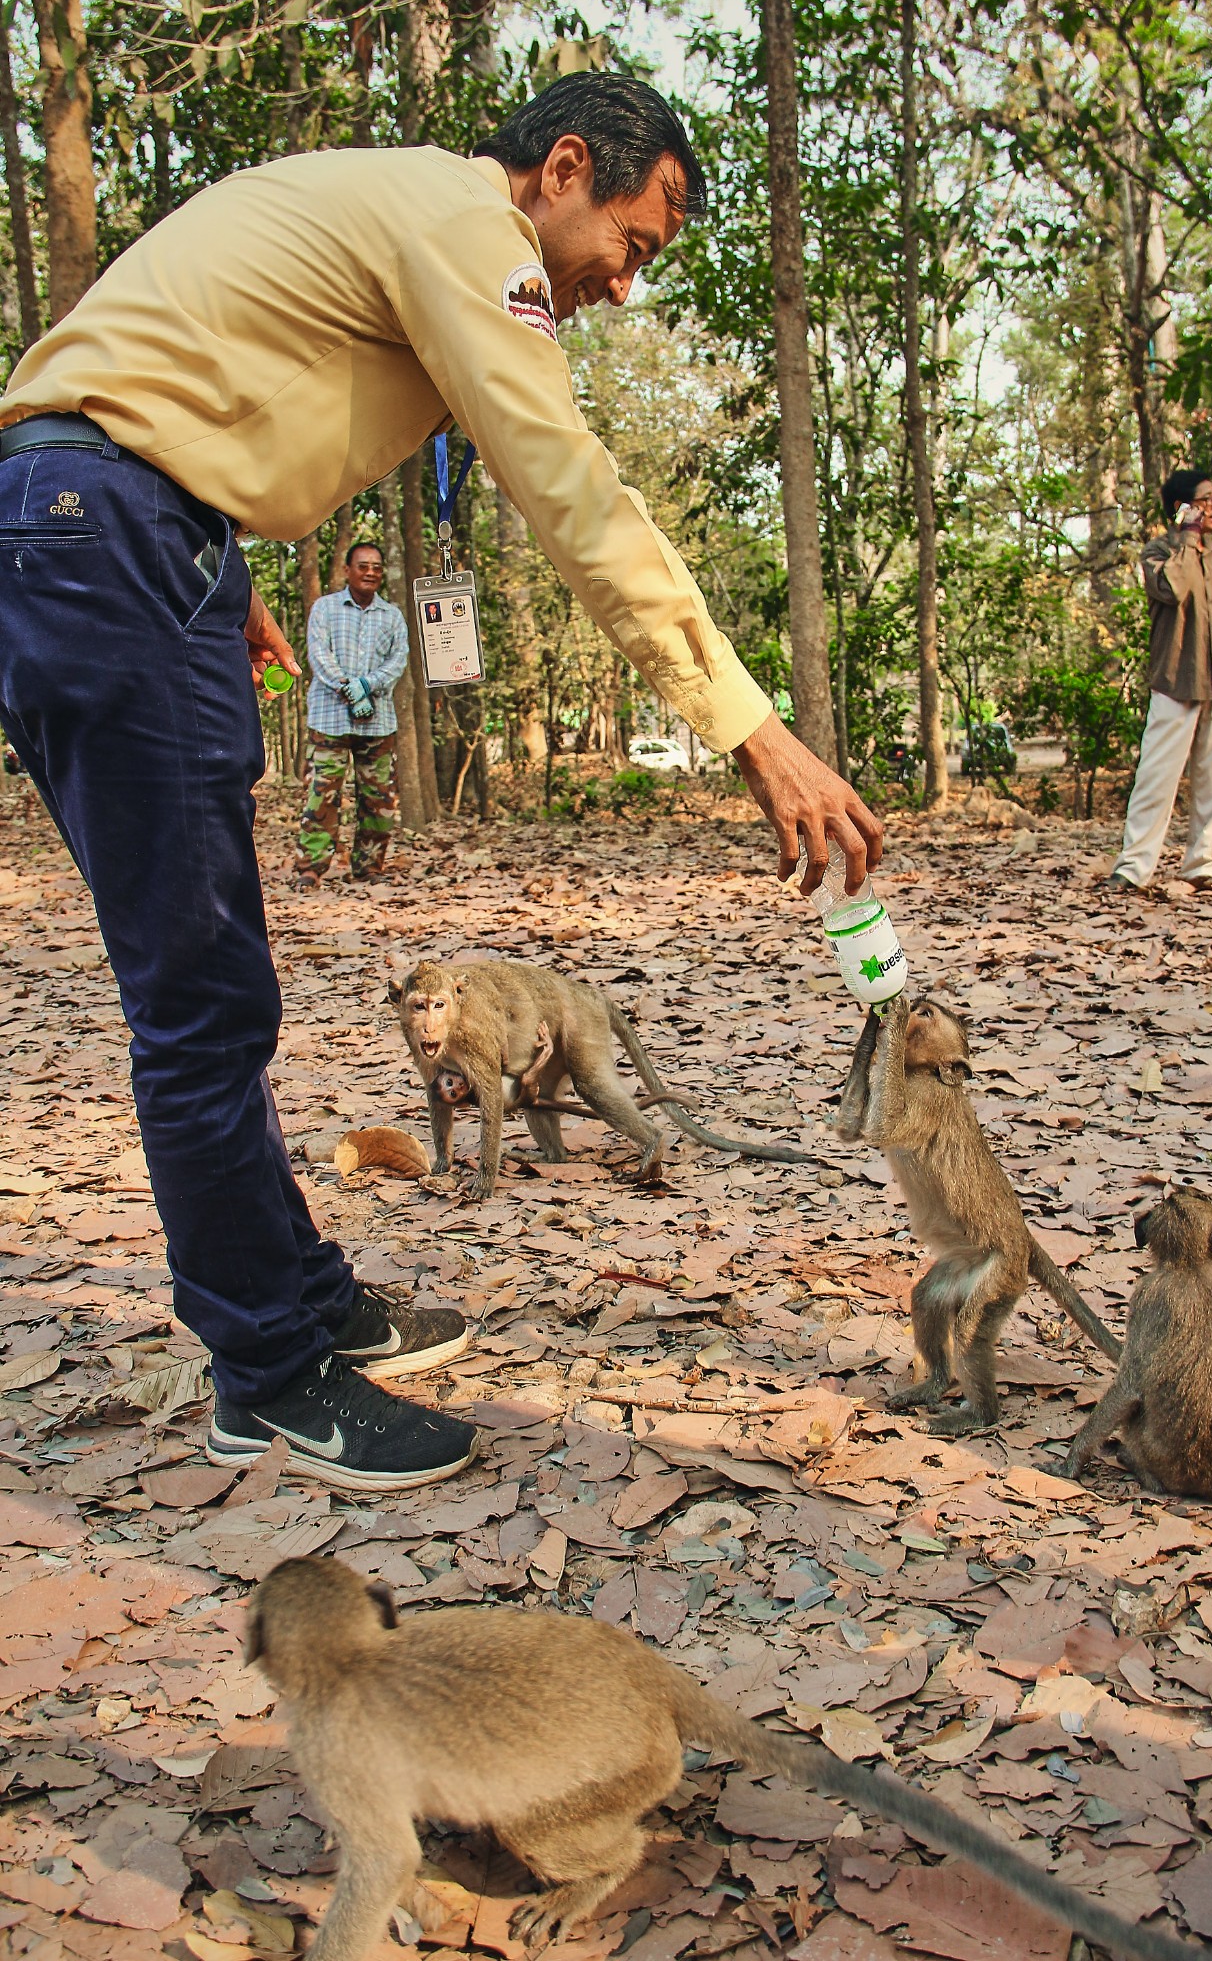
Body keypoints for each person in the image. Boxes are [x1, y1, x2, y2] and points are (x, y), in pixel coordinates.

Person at [0, 74, 881, 1493]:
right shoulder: (475, 232)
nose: (620, 286)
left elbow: (202, 365)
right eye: (632, 246)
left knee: (221, 979)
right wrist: (752, 728)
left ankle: (297, 1296)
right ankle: (267, 1374)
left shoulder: (400, 200)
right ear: (566, 169)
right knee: (197, 995)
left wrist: (207, 556)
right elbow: (571, 488)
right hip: (105, 531)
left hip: (127, 529)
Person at [1108, 468, 1212, 895]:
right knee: (1156, 777)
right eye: (1205, 500)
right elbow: (1172, 590)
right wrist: (1188, 540)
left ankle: (1200, 864)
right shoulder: (1159, 552)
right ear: (1182, 507)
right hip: (1177, 680)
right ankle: (1133, 868)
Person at [295, 541, 408, 887]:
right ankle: (311, 868)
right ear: (347, 570)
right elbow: (319, 654)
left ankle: (370, 866)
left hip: (378, 723)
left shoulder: (391, 615)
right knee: (323, 795)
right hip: (329, 718)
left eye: (376, 566)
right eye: (363, 565)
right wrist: (348, 688)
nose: (370, 572)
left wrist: (367, 685)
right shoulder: (325, 609)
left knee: (378, 798)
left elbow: (398, 660)